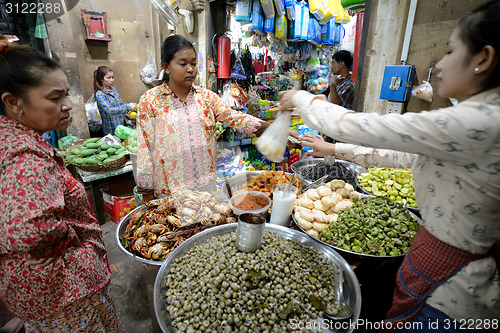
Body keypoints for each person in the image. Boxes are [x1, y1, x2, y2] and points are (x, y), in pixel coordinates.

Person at [279, 1, 500, 331]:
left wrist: (300, 99)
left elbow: (366, 126)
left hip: (449, 299)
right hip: (453, 280)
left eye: (450, 52)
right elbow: (402, 155)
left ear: (483, 58)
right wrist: (334, 147)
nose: (438, 65)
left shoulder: (480, 121)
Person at [0, 41, 118, 332]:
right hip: (66, 296)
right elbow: (27, 229)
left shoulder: (10, 139)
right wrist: (71, 236)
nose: (67, 105)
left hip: (38, 295)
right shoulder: (25, 154)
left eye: (65, 94)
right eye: (55, 98)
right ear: (13, 102)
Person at [136, 35, 280, 201]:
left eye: (194, 63)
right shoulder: (151, 100)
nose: (190, 69)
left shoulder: (206, 98)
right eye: (183, 64)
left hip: (205, 187)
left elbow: (235, 118)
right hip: (169, 192)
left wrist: (276, 129)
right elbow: (144, 148)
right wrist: (146, 192)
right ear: (166, 67)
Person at [94, 65, 137, 135]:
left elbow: (120, 105)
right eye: (108, 78)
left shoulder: (113, 90)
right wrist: (128, 107)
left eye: (112, 77)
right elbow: (109, 110)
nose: (112, 80)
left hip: (121, 127)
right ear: (101, 79)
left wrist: (131, 109)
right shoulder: (100, 94)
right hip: (111, 130)